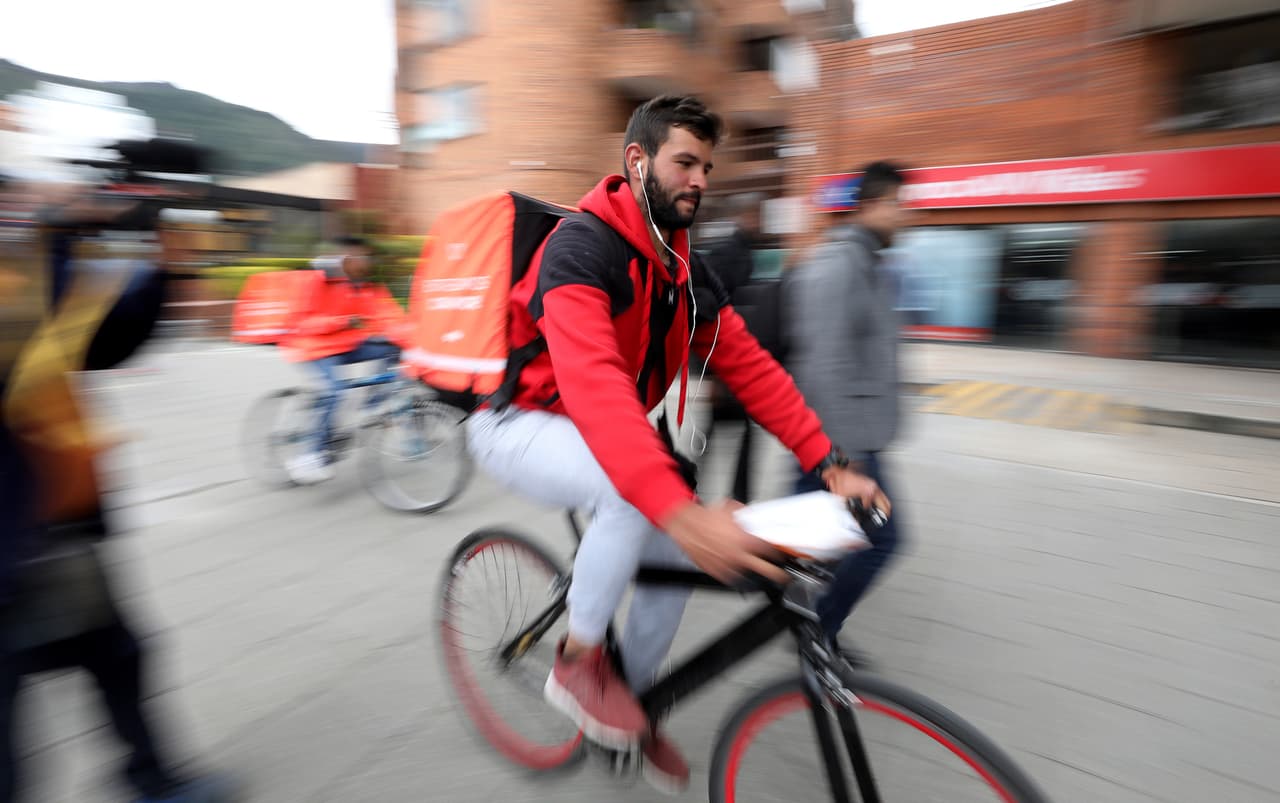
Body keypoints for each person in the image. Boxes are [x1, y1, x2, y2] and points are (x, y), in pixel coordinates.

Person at [464, 95, 889, 794]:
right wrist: (681, 508)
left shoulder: (684, 275)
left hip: (587, 431)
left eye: (707, 167)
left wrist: (830, 463)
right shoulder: (579, 249)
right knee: (638, 492)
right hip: (513, 421)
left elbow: (753, 369)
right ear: (637, 162)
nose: (700, 179)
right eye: (684, 162)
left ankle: (628, 701)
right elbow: (599, 389)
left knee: (672, 556)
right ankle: (578, 660)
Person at [0, 182, 235, 803]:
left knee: (116, 654)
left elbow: (104, 341)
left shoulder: (27, 271)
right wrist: (61, 229)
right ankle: (151, 778)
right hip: (17, 533)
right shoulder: (22, 275)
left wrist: (165, 262)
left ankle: (151, 778)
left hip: (53, 527)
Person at [786, 161, 911, 649]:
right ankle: (815, 634)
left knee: (820, 548)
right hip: (841, 444)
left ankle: (809, 627)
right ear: (873, 205)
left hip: (849, 439)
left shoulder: (867, 264)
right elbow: (823, 363)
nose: (905, 217)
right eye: (899, 206)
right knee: (883, 540)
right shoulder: (841, 265)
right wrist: (843, 458)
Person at [280, 235, 405, 484]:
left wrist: (416, 334)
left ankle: (373, 405)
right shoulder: (317, 278)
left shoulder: (362, 286)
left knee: (395, 349)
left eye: (369, 258)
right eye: (364, 257)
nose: (368, 263)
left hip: (346, 344)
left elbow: (389, 318)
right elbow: (300, 321)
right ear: (347, 257)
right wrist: (340, 322)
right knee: (335, 392)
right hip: (311, 346)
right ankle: (308, 457)